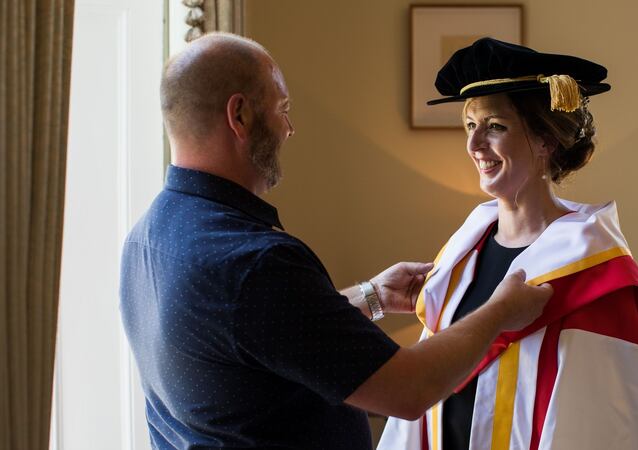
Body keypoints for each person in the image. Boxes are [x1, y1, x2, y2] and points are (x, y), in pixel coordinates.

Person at [118, 33, 553, 450]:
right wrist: (501, 310)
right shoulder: (257, 264)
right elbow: (409, 389)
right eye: (282, 108)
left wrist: (372, 296)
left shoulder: (147, 236)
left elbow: (249, 334)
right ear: (241, 115)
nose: (289, 128)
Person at [378, 38, 638, 450]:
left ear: (545, 140)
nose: (474, 145)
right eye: (470, 126)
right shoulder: (459, 258)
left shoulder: (597, 277)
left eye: (495, 126)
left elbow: (602, 428)